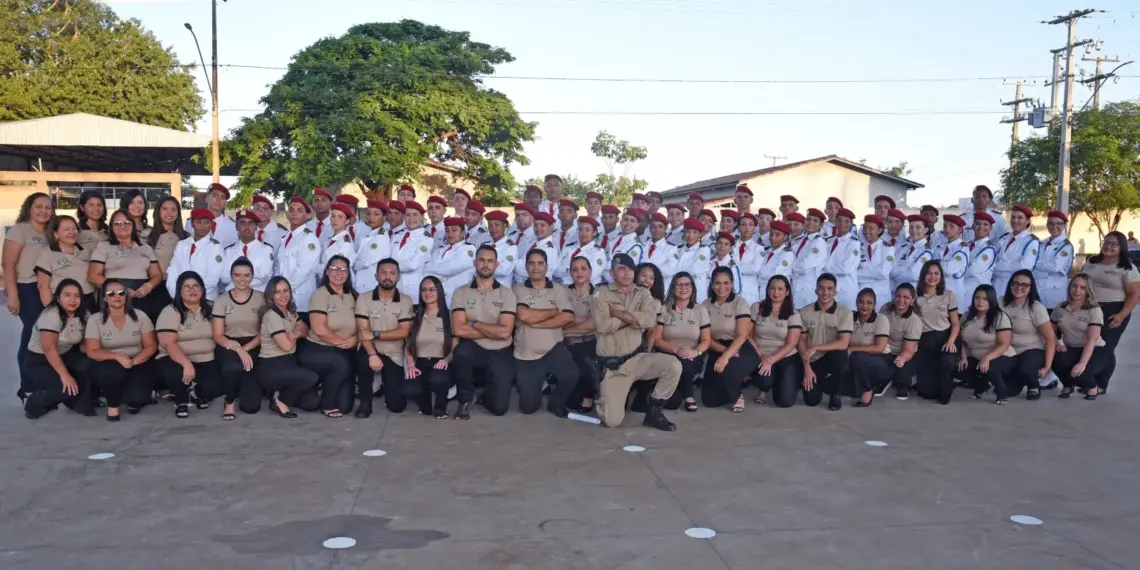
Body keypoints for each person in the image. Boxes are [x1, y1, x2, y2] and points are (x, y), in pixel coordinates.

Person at [591, 253, 680, 431]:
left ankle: (654, 413)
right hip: (613, 367)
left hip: (636, 359)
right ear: (612, 273)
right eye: (621, 269)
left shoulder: (643, 292)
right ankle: (604, 396)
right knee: (612, 421)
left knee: (673, 365)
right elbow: (603, 326)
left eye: (630, 269)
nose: (627, 273)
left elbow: (649, 321)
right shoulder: (600, 293)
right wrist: (635, 319)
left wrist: (617, 314)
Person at [451, 245, 517, 419]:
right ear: (475, 263)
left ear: (497, 265)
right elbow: (459, 329)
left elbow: (505, 333)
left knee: (499, 409)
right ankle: (465, 399)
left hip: (500, 350)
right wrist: (493, 330)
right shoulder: (461, 292)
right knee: (461, 352)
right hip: (474, 347)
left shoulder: (507, 294)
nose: (485, 265)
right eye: (481, 260)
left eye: (490, 261)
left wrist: (474, 323)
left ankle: (483, 394)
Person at [512, 249, 579, 416]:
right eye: (531, 263)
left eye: (540, 263)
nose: (536, 267)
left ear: (547, 267)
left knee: (572, 374)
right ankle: (538, 385)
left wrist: (536, 323)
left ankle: (555, 403)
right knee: (528, 408)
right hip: (527, 354)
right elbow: (524, 315)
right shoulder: (518, 289)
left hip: (553, 348)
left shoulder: (558, 289)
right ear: (526, 267)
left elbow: (568, 317)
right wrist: (553, 311)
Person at [84, 279, 158, 421]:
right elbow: (92, 351)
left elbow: (151, 346)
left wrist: (134, 361)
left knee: (137, 399)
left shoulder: (140, 315)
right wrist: (117, 357)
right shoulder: (95, 319)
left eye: (121, 293)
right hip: (108, 362)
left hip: (136, 360)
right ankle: (113, 406)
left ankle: (128, 393)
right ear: (104, 298)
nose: (117, 296)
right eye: (111, 294)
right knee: (113, 372)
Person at [5, 192, 53, 401]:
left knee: (47, 336)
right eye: (39, 206)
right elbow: (8, 264)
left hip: (48, 287)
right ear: (29, 208)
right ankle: (27, 388)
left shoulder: (50, 232)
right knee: (31, 336)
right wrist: (13, 296)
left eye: (48, 207)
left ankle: (43, 385)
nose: (44, 211)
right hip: (27, 287)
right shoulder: (20, 230)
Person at [22, 279, 94, 419]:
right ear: (58, 298)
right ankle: (33, 404)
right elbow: (49, 348)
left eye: (77, 295)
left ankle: (76, 402)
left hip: (66, 354)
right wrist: (65, 375)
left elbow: (85, 344)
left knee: (88, 365)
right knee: (62, 388)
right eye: (67, 295)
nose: (72, 300)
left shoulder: (84, 314)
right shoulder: (51, 315)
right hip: (40, 359)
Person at [1080, 231, 1140, 393]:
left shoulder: (1127, 267)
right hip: (1090, 309)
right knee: (1093, 345)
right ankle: (1098, 383)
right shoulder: (1092, 261)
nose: (1108, 246)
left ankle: (1098, 384)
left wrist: (1121, 315)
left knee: (1104, 347)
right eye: (1106, 242)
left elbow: (1134, 294)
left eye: (1114, 244)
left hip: (1114, 310)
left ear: (1122, 247)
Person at [300, 255, 359, 418]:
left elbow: (363, 325)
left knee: (345, 407)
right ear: (327, 271)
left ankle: (327, 384)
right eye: (334, 268)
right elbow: (319, 329)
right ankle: (327, 403)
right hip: (318, 349)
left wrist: (356, 339)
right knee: (340, 363)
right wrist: (343, 343)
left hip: (345, 350)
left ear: (348, 273)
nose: (339, 273)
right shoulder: (320, 294)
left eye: (344, 269)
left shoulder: (353, 296)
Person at [87, 209, 164, 333]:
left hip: (142, 296)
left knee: (143, 332)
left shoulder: (145, 248)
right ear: (111, 226)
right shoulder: (104, 246)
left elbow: (157, 274)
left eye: (127, 223)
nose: (122, 226)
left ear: (133, 225)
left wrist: (149, 285)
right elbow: (93, 276)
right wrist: (122, 290)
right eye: (117, 223)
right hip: (114, 297)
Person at [155, 271, 220, 418]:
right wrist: (186, 363)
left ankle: (195, 391)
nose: (192, 290)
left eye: (196, 286)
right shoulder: (171, 311)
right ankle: (181, 400)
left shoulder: (212, 308)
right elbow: (168, 343)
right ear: (179, 290)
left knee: (214, 390)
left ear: (202, 290)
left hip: (205, 358)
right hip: (175, 358)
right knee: (177, 374)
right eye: (187, 287)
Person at [356, 258, 415, 417]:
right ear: (376, 276)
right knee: (363, 360)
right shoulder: (364, 298)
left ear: (398, 277)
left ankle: (385, 387)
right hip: (371, 349)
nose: (387, 276)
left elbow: (403, 332)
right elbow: (363, 332)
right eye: (383, 272)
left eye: (392, 273)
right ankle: (365, 402)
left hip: (393, 353)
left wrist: (376, 334)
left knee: (397, 406)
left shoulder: (405, 300)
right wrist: (372, 355)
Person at [257, 276, 319, 418]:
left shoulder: (289, 311)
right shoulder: (271, 316)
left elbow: (305, 330)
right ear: (271, 295)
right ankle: (280, 400)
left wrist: (295, 333)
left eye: (286, 291)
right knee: (311, 377)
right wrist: (296, 332)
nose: (283, 295)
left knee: (312, 403)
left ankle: (278, 392)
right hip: (272, 366)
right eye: (277, 292)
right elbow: (286, 345)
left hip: (289, 363)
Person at [211, 258, 264, 418]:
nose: (242, 279)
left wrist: (246, 349)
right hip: (229, 343)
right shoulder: (222, 300)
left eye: (246, 275)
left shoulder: (261, 298)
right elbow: (217, 335)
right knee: (231, 367)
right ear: (231, 276)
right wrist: (238, 349)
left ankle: (244, 386)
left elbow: (265, 331)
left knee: (251, 407)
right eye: (237, 275)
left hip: (254, 343)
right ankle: (229, 401)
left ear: (252, 276)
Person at [701, 266, 759, 412]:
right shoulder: (705, 305)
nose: (722, 287)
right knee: (710, 401)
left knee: (727, 367)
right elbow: (704, 336)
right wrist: (722, 351)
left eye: (726, 283)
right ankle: (732, 383)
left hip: (740, 348)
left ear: (732, 284)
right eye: (718, 283)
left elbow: (742, 335)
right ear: (712, 285)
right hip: (716, 348)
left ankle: (737, 396)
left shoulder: (739, 303)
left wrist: (725, 356)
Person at [651, 272, 710, 412]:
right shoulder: (664, 309)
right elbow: (656, 339)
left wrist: (696, 352)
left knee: (686, 360)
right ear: (673, 287)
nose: (683, 288)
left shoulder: (700, 310)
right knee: (672, 404)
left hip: (693, 356)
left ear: (693, 288)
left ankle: (688, 396)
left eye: (687, 284)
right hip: (668, 354)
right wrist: (674, 349)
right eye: (679, 284)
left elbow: (706, 340)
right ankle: (675, 388)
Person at [798, 273, 853, 411]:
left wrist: (816, 347)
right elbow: (801, 341)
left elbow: (844, 343)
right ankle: (821, 382)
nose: (825, 292)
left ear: (835, 292)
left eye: (829, 288)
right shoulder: (805, 311)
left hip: (831, 357)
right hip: (812, 359)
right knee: (811, 401)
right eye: (821, 288)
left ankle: (835, 394)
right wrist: (807, 367)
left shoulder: (845, 312)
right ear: (816, 290)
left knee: (840, 354)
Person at [1051, 274, 1110, 400]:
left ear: (1088, 290)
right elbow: (1050, 331)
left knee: (1080, 372)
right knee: (1053, 359)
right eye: (1074, 286)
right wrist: (1057, 343)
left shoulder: (1094, 310)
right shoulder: (1060, 307)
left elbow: (1092, 339)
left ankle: (1092, 387)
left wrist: (1082, 363)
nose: (1077, 290)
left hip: (1095, 349)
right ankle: (1067, 385)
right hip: (1071, 348)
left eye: (1083, 288)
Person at [404, 275, 455, 418]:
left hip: (441, 363)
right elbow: (408, 346)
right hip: (420, 363)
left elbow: (456, 344)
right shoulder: (416, 316)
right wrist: (411, 365)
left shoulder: (449, 316)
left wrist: (447, 359)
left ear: (439, 291)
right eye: (424, 290)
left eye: (432, 289)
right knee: (409, 389)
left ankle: (441, 405)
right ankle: (425, 405)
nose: (427, 293)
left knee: (439, 379)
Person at [908, 260, 959, 403]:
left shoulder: (948, 295)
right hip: (925, 341)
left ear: (941, 276)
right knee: (926, 392)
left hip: (945, 338)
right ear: (923, 275)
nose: (932, 277)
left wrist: (951, 341)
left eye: (936, 273)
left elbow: (955, 323)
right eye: (929, 273)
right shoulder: (915, 297)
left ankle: (947, 387)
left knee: (946, 363)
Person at [1000, 270, 1057, 399]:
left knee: (1026, 366)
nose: (1019, 287)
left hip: (1032, 350)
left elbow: (1050, 338)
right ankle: (1018, 379)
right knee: (1008, 391)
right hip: (1009, 351)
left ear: (1031, 288)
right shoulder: (1000, 303)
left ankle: (1033, 385)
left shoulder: (1036, 308)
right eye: (1015, 283)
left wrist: (1047, 367)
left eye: (1024, 285)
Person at [750, 274, 804, 408]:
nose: (776, 292)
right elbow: (748, 335)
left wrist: (770, 360)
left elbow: (791, 343)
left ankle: (781, 378)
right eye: (772, 288)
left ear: (787, 292)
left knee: (785, 401)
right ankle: (763, 388)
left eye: (780, 289)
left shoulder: (794, 313)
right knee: (764, 380)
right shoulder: (757, 307)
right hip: (760, 353)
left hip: (785, 355)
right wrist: (761, 356)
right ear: (767, 290)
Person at [956, 285, 1017, 404]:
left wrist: (987, 358)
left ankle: (1002, 393)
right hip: (976, 356)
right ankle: (981, 386)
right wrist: (963, 357)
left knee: (990, 367)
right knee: (957, 367)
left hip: (1002, 356)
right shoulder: (966, 316)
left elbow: (1004, 344)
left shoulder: (1000, 317)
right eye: (977, 298)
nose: (980, 302)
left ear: (991, 300)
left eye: (985, 299)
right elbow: (961, 340)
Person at [563, 255, 600, 412]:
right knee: (570, 403)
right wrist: (583, 320)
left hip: (589, 342)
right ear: (570, 272)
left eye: (583, 268)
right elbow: (556, 317)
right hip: (565, 342)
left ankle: (589, 394)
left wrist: (566, 324)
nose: (579, 273)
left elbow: (593, 324)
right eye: (575, 269)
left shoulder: (598, 294)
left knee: (586, 364)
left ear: (590, 271)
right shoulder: (563, 291)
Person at [277, 197, 322, 321]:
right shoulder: (286, 238)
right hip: (284, 298)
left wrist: (284, 290)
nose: (294, 213)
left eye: (299, 210)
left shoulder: (309, 238)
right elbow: (280, 267)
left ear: (307, 215)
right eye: (291, 210)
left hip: (300, 300)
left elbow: (304, 270)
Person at [166, 208, 226, 302]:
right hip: (180, 299)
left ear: (211, 224)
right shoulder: (181, 245)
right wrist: (177, 295)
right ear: (192, 224)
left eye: (207, 222)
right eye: (199, 222)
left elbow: (212, 278)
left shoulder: (215, 247)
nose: (203, 225)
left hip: (205, 299)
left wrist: (192, 296)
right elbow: (172, 272)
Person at [35, 216, 93, 311]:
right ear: (55, 234)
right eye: (66, 229)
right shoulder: (47, 253)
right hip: (63, 302)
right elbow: (43, 286)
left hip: (87, 300)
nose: (72, 232)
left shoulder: (85, 251)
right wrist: (51, 311)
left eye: (74, 229)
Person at [847, 288, 892, 407]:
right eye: (861, 302)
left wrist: (852, 348)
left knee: (857, 357)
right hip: (855, 361)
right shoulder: (849, 318)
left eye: (869, 302)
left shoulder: (881, 319)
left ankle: (867, 391)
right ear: (856, 302)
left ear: (875, 304)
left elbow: (879, 348)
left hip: (881, 361)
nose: (864, 306)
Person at [145, 196, 188, 317]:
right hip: (156, 287)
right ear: (158, 211)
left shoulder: (186, 237)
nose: (169, 213)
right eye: (165, 209)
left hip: (180, 287)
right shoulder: (147, 236)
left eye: (173, 209)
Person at [222, 210, 275, 293]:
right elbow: (224, 277)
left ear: (256, 227)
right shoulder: (228, 251)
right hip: (233, 295)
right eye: (242, 223)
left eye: (250, 223)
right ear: (237, 227)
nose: (246, 226)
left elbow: (264, 276)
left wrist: (238, 281)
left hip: (258, 295)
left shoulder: (266, 249)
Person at [992, 205, 1040, 296]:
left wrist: (998, 266)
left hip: (1014, 287)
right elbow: (992, 259)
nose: (1015, 220)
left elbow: (1024, 266)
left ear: (1027, 221)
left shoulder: (1031, 241)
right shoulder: (1004, 238)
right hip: (995, 284)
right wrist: (1010, 264)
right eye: (1013, 217)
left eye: (1020, 218)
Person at [1034, 210, 1074, 310]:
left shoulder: (1066, 246)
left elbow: (1055, 267)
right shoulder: (1042, 243)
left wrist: (1033, 263)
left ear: (1064, 225)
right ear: (1047, 225)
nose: (1054, 226)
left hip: (1054, 293)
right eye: (1051, 223)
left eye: (1058, 223)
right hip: (1038, 288)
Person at [394, 200, 433, 304]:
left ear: (422, 217)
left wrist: (391, 268)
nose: (411, 218)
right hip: (395, 287)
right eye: (408, 215)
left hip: (413, 289)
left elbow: (413, 264)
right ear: (404, 217)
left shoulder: (426, 239)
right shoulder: (398, 235)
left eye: (415, 215)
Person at [432, 217, 477, 302]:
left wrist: (432, 268)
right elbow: (427, 269)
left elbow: (450, 269)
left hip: (458, 298)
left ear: (463, 233)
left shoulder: (469, 249)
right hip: (439, 297)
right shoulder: (440, 250)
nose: (450, 233)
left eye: (454, 230)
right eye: (447, 230)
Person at [824, 208, 861, 308]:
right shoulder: (828, 241)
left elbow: (846, 268)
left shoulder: (854, 243)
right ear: (835, 222)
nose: (842, 224)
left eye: (847, 221)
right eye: (839, 220)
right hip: (828, 290)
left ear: (851, 224)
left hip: (845, 291)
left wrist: (825, 268)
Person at [553, 216, 606, 287]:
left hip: (586, 290)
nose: (583, 233)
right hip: (562, 288)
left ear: (594, 233)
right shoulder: (568, 248)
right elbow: (555, 271)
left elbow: (589, 277)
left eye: (587, 230)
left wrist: (564, 279)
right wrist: (568, 270)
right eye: (580, 229)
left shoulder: (598, 252)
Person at [790, 211, 828, 307]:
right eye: (808, 219)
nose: (811, 223)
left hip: (807, 290)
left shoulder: (818, 242)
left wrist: (790, 266)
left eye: (815, 221)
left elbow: (805, 266)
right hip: (795, 287)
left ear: (821, 225)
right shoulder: (801, 240)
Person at [353, 201, 393, 291]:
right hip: (362, 283)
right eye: (368, 214)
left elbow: (365, 261)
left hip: (370, 284)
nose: (371, 217)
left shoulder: (381, 237)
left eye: (376, 214)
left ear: (384, 217)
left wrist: (354, 263)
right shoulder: (370, 234)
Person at [857, 215, 895, 306]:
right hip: (862, 293)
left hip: (880, 295)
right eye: (865, 228)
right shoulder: (858, 247)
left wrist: (860, 274)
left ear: (879, 230)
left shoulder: (888, 248)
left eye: (871, 228)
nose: (867, 231)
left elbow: (883, 273)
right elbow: (852, 271)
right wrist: (874, 274)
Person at [891, 214, 934, 293]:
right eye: (911, 227)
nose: (913, 230)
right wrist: (906, 269)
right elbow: (890, 269)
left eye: (918, 227)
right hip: (897, 291)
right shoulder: (904, 248)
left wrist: (898, 272)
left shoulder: (926, 251)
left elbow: (914, 275)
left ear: (926, 230)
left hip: (914, 293)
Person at [963, 212, 998, 304]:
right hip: (963, 292)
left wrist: (955, 271)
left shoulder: (989, 249)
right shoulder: (967, 245)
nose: (981, 227)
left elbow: (972, 270)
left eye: (985, 224)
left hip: (977, 295)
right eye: (978, 224)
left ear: (991, 228)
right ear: (972, 226)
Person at [938, 214, 970, 313]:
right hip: (941, 293)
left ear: (959, 230)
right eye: (945, 226)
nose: (947, 229)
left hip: (954, 294)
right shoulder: (942, 247)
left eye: (951, 226)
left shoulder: (962, 248)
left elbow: (948, 269)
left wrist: (936, 264)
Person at [516, 212, 559, 285]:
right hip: (524, 284)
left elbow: (533, 271)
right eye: (536, 225)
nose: (538, 228)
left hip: (537, 286)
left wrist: (514, 265)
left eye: (542, 225)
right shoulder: (534, 242)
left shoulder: (549, 249)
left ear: (550, 228)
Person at [676, 218, 713, 301]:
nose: (691, 235)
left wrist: (677, 271)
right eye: (688, 232)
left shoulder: (704, 249)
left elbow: (696, 270)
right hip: (681, 290)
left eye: (694, 232)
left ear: (700, 234)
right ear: (684, 233)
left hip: (697, 290)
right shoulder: (679, 249)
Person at [485, 210, 519, 288]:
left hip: (501, 290)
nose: (493, 229)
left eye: (497, 225)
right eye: (490, 225)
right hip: (484, 289)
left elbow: (503, 270)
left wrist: (482, 268)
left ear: (505, 225)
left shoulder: (511, 247)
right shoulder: (485, 245)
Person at [643, 212, 678, 286]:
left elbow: (670, 270)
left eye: (660, 226)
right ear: (649, 228)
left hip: (660, 286)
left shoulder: (671, 248)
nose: (657, 230)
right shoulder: (642, 245)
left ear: (665, 228)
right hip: (641, 286)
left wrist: (644, 273)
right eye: (653, 226)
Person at [758, 221, 795, 292]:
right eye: (771, 234)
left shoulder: (787, 254)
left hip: (775, 291)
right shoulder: (767, 250)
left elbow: (775, 274)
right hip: (761, 290)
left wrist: (757, 272)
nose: (773, 238)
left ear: (785, 237)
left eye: (777, 235)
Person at [735, 213, 764, 304]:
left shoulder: (759, 248)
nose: (747, 228)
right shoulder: (731, 246)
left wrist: (734, 267)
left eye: (750, 225)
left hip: (749, 292)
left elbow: (755, 268)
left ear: (754, 228)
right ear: (738, 227)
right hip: (732, 290)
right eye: (743, 224)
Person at [321, 202, 358, 267]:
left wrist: (318, 268)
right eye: (333, 216)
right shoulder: (331, 238)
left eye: (340, 217)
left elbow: (337, 266)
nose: (335, 220)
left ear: (347, 221)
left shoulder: (345, 242)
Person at [76, 190, 108, 261]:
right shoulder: (76, 231)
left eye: (99, 205)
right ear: (82, 207)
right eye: (91, 205)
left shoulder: (109, 230)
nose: (96, 209)